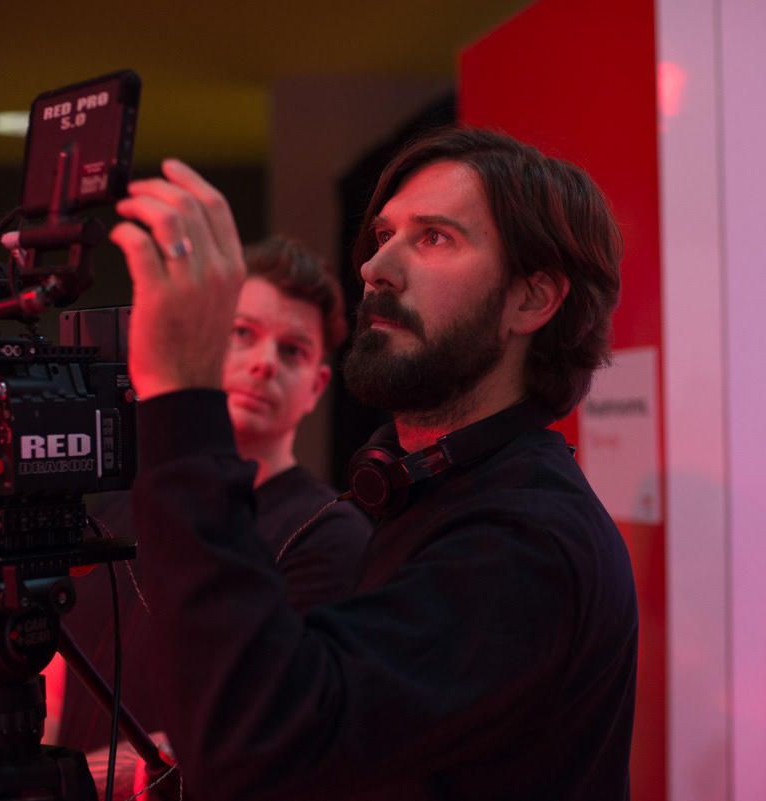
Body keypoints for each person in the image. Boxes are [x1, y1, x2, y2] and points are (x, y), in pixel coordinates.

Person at [111, 126, 639, 799]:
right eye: (385, 235)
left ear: (531, 299)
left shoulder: (526, 539)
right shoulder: (429, 487)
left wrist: (182, 395)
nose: (375, 267)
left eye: (434, 237)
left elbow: (259, 742)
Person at [51, 235, 371, 755]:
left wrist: (107, 778)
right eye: (242, 333)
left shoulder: (329, 534)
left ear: (316, 387)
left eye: (292, 350)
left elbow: (278, 730)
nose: (265, 363)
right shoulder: (116, 503)